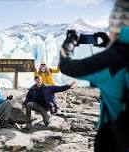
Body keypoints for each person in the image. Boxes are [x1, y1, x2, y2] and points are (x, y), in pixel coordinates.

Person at [59, 0, 129, 151]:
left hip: (116, 141)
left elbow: (66, 66)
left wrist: (70, 42)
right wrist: (111, 43)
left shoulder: (111, 60)